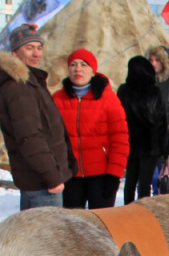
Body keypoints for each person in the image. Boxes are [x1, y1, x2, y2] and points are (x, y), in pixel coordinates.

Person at [0, 25, 75, 211]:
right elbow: (29, 136)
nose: (36, 53)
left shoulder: (30, 82)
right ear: (15, 53)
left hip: (39, 179)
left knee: (36, 237)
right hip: (42, 182)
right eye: (29, 48)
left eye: (39, 47)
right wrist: (51, 175)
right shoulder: (19, 87)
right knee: (48, 238)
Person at [51, 48, 127, 210]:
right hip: (69, 175)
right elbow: (50, 138)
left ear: (93, 70)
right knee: (71, 228)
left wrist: (113, 175)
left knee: (100, 228)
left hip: (101, 176)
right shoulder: (57, 99)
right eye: (73, 64)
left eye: (84, 65)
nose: (78, 69)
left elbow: (120, 140)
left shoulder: (108, 99)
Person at [116, 55, 168, 203]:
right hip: (150, 145)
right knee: (145, 184)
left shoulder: (123, 90)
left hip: (129, 142)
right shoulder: (153, 91)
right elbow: (161, 121)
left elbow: (118, 117)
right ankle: (142, 214)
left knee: (130, 182)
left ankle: (127, 210)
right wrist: (166, 148)